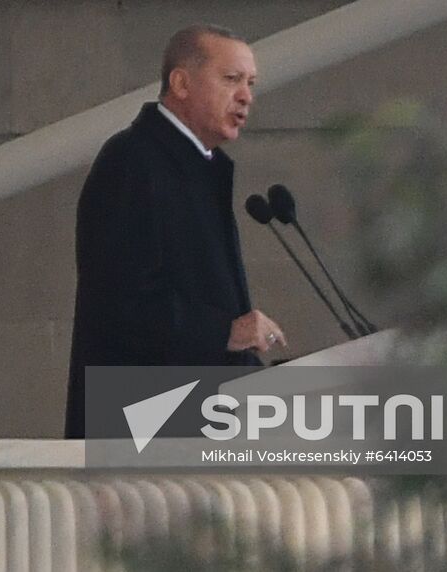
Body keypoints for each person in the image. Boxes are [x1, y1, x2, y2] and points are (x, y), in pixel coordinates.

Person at [65, 25, 286, 439]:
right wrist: (226, 331)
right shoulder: (132, 162)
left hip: (190, 425)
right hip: (136, 428)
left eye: (251, 84)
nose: (246, 97)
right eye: (231, 79)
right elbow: (121, 303)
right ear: (181, 83)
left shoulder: (200, 167)